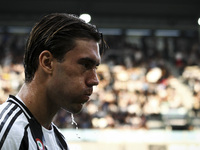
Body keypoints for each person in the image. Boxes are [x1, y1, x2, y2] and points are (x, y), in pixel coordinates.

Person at [0, 13, 106, 150]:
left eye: (95, 68)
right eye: (85, 65)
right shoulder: (7, 134)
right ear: (47, 62)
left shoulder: (58, 141)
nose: (95, 80)